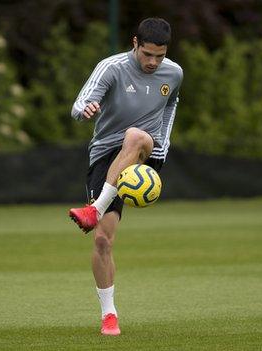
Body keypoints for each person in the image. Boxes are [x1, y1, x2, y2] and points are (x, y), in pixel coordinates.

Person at [68, 17, 183, 336]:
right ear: (135, 43)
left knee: (135, 136)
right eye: (147, 54)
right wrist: (86, 110)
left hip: (148, 149)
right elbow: (78, 105)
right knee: (103, 240)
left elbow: (170, 108)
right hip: (105, 154)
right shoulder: (111, 67)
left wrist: (163, 147)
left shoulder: (174, 73)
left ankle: (94, 209)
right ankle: (109, 315)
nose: (153, 62)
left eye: (159, 56)